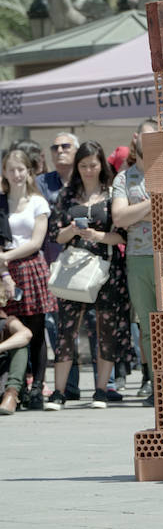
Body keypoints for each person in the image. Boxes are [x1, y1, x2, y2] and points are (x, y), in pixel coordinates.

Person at [45, 141, 132, 410]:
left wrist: (98, 236)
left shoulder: (112, 193)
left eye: (93, 165)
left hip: (106, 266)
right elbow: (54, 235)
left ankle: (101, 390)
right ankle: (59, 392)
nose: (88, 170)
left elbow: (124, 235)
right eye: (83, 166)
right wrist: (72, 230)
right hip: (74, 266)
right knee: (67, 329)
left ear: (101, 165)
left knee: (106, 328)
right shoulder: (68, 196)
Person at [37, 132, 97, 401]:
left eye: (65, 146)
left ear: (77, 151)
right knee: (60, 326)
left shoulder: (85, 181)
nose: (59, 150)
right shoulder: (42, 183)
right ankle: (69, 385)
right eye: (55, 147)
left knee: (95, 323)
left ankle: (102, 385)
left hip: (89, 262)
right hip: (53, 264)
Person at [0, 149, 56, 410]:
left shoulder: (37, 201)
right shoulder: (1, 202)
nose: (17, 174)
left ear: (29, 172)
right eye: (11, 169)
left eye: (21, 169)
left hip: (30, 267)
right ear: (4, 172)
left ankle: (37, 387)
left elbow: (35, 242)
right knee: (11, 326)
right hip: (5, 271)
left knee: (35, 329)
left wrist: (6, 257)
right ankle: (16, 385)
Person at [112, 119, 158, 403]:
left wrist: (135, 213)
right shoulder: (123, 179)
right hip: (139, 258)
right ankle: (157, 385)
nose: (150, 141)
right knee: (148, 326)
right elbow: (119, 218)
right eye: (146, 136)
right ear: (135, 138)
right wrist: (154, 204)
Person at [0, 280, 33, 415]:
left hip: (3, 378)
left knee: (20, 345)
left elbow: (26, 334)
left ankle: (11, 395)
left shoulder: (7, 321)